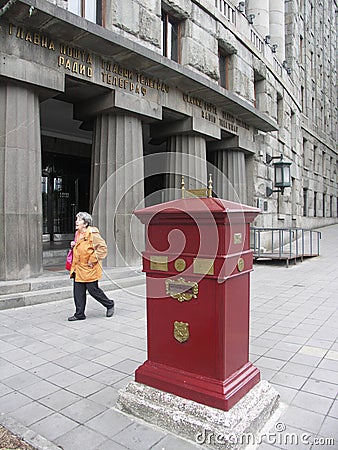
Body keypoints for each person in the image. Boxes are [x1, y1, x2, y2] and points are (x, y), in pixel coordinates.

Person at [68, 212, 115, 321]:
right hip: (78, 268)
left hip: (90, 268)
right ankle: (79, 314)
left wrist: (92, 260)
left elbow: (102, 248)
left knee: (93, 290)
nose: (76, 222)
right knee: (78, 292)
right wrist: (74, 245)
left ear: (85, 223)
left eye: (78, 220)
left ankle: (109, 304)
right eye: (77, 219)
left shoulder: (93, 234)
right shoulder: (78, 234)